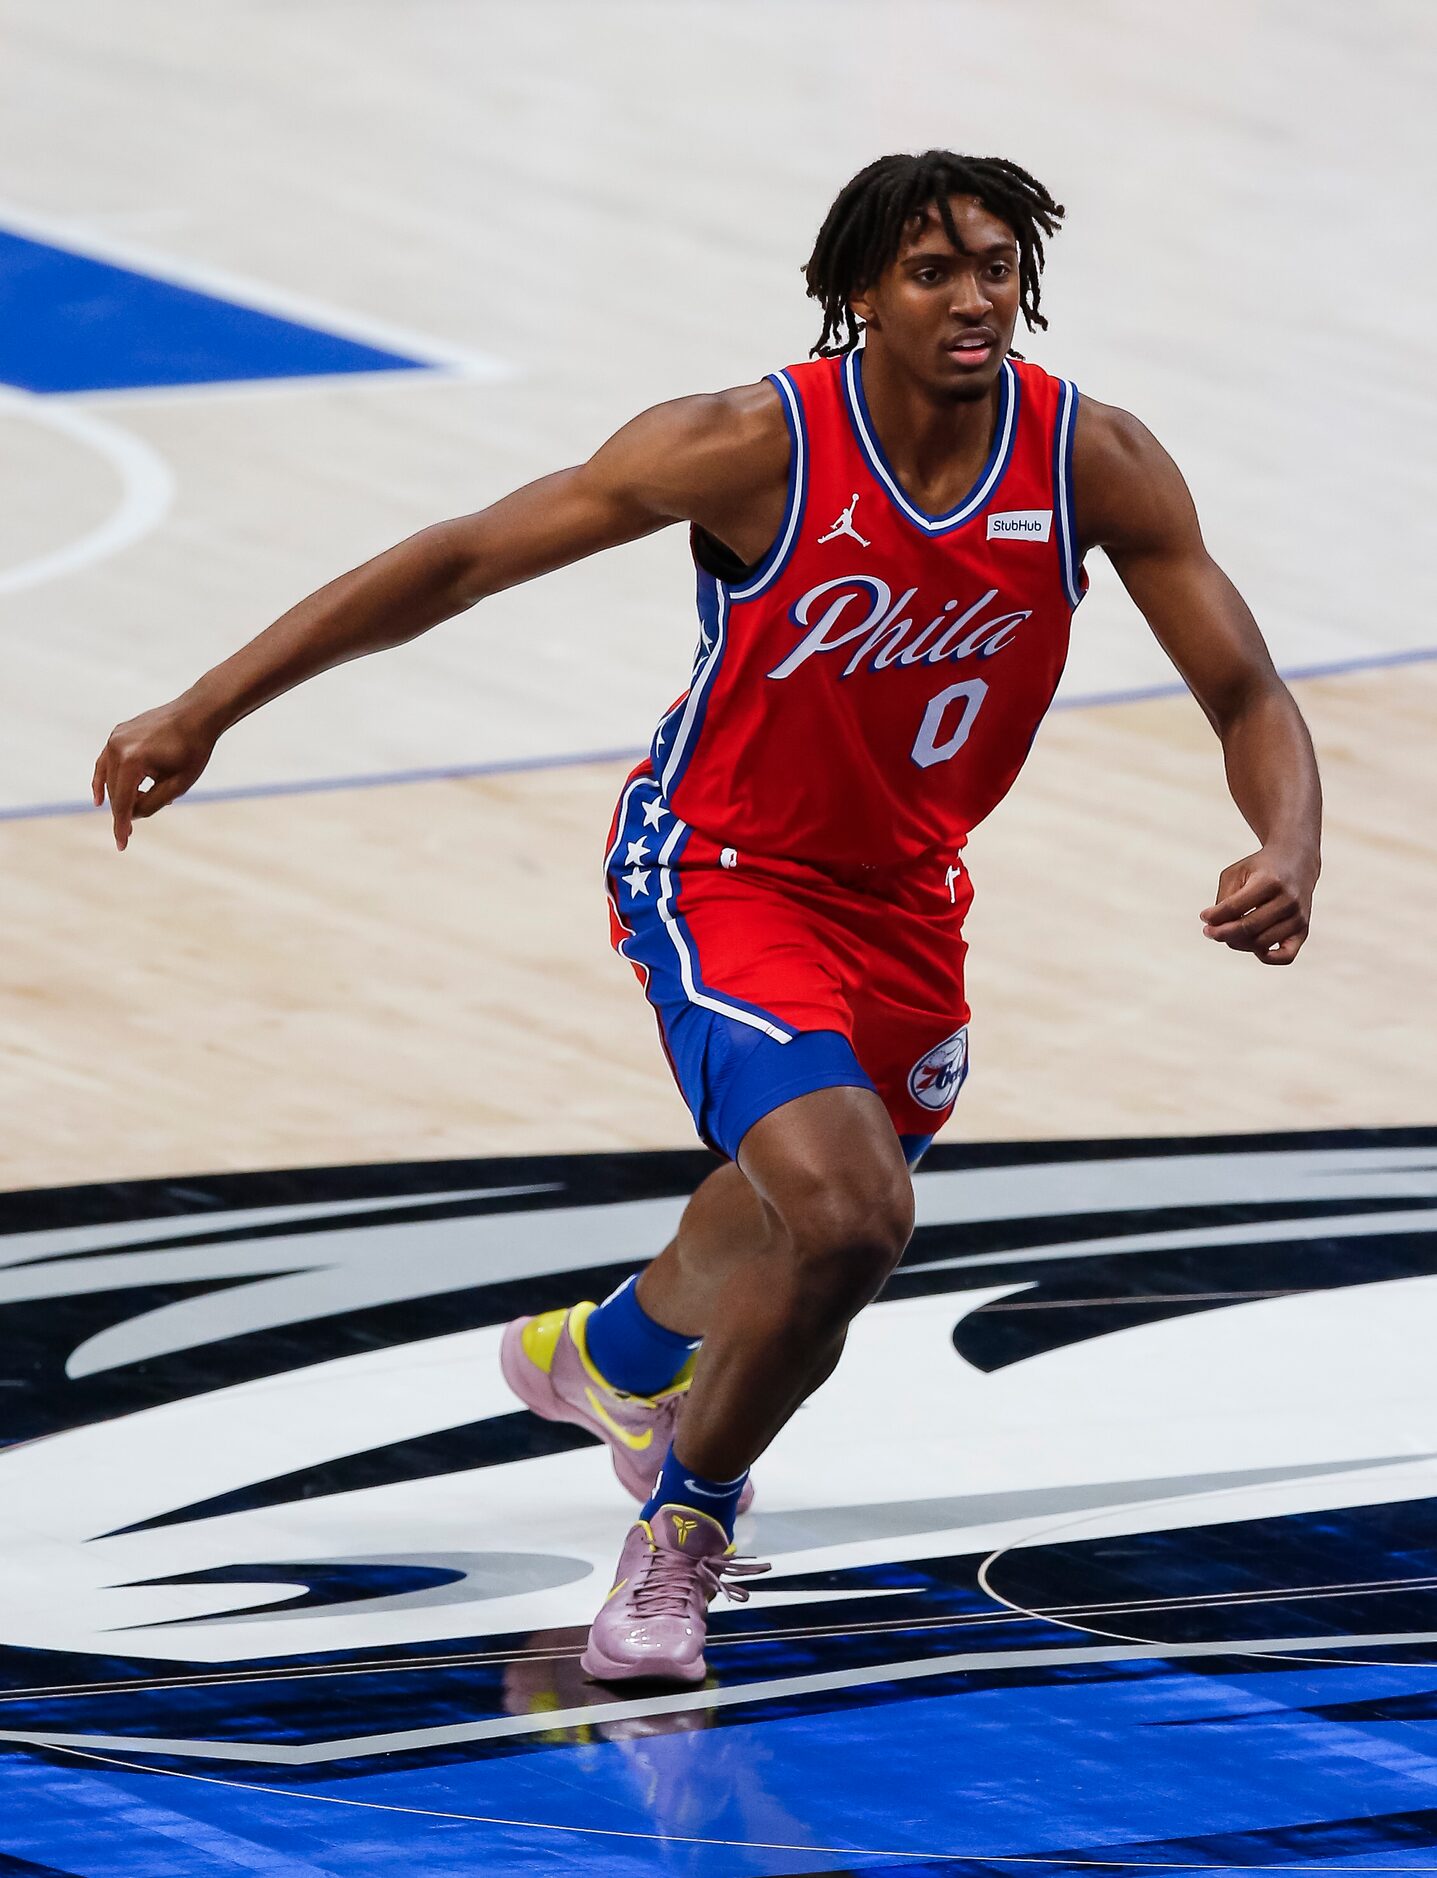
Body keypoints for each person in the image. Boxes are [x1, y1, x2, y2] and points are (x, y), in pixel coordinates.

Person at [92, 151, 1323, 1689]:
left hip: (905, 902)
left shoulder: (1094, 458)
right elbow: (459, 558)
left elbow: (1242, 686)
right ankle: (685, 1526)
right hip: (718, 871)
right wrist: (208, 704)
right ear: (856, 294)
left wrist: (1285, 836)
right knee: (851, 1211)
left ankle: (604, 1357)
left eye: (995, 267)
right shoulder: (749, 442)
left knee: (771, 1225)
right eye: (931, 272)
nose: (971, 299)